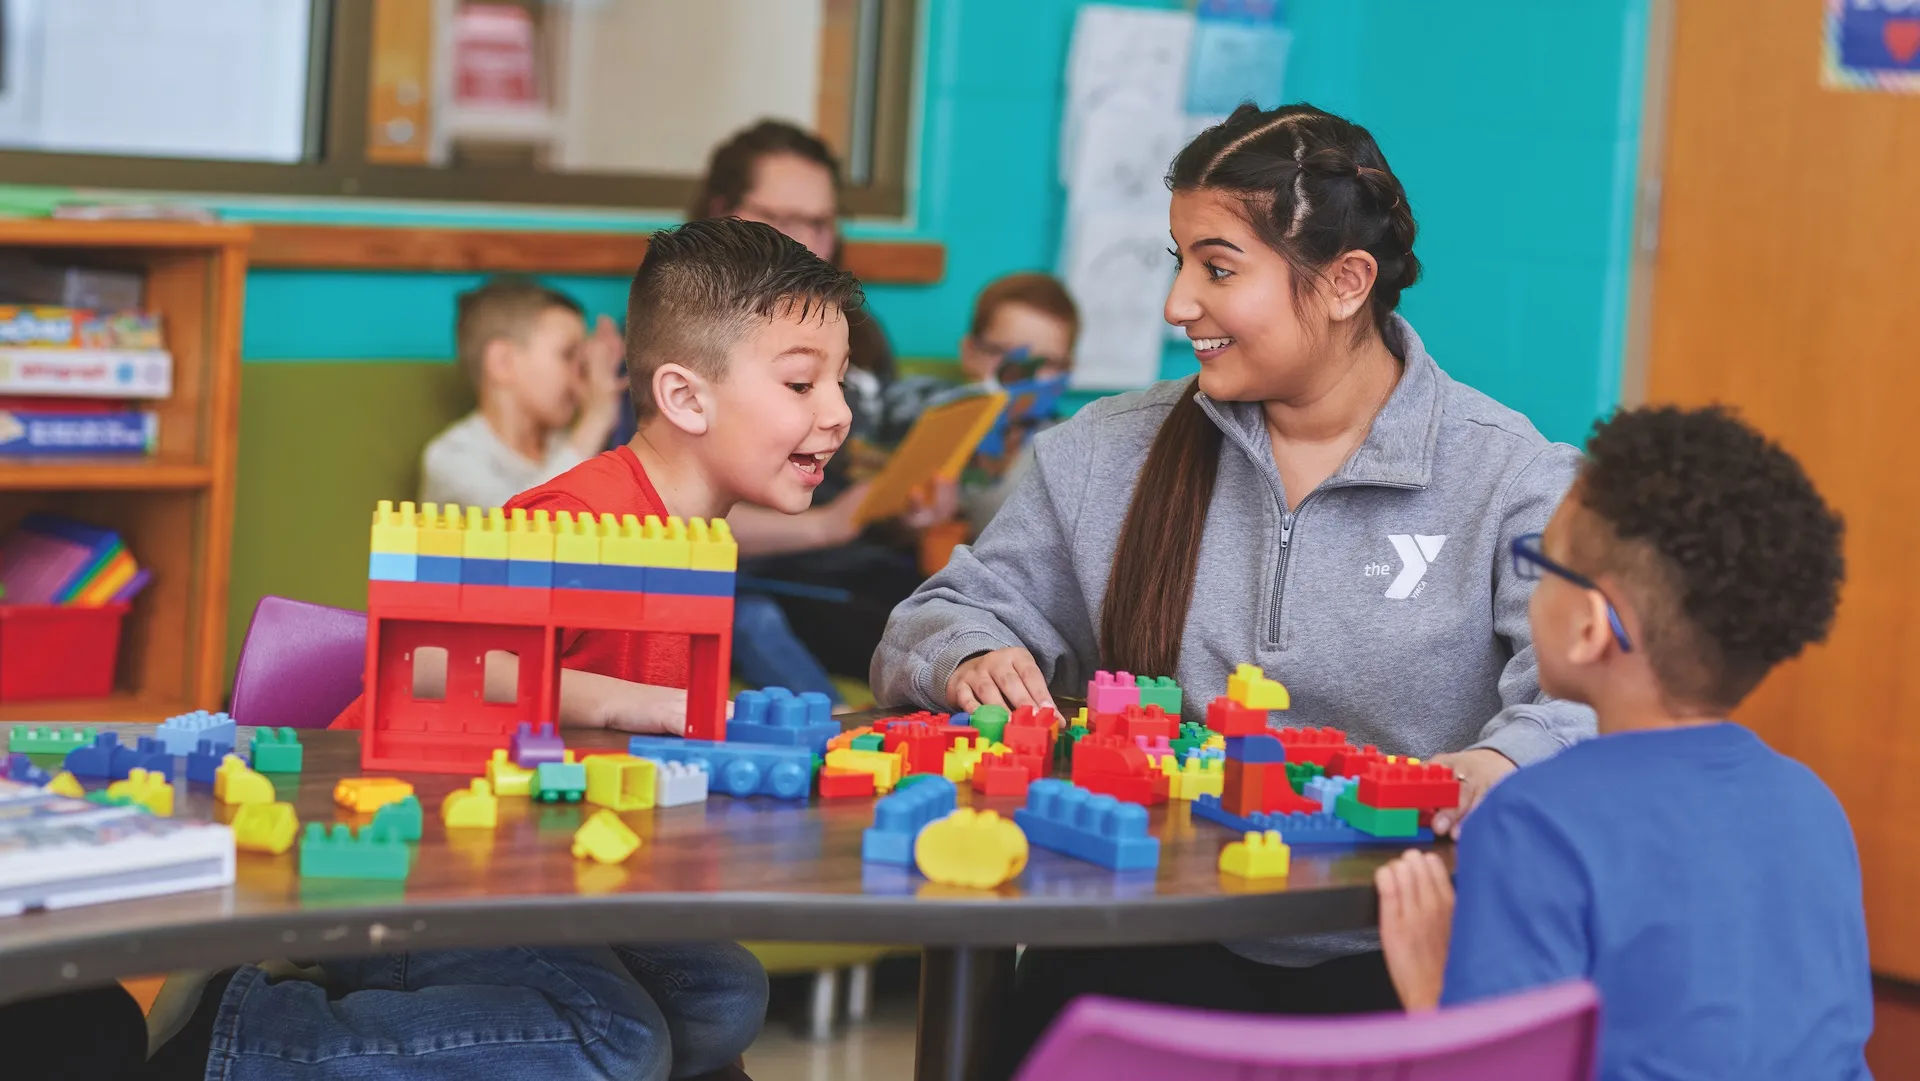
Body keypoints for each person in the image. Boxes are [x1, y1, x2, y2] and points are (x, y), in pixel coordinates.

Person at [868, 103, 1597, 1076]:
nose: (1177, 304)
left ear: (1345, 284)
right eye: (1177, 261)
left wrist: (1496, 767)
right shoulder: (1102, 452)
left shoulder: (1512, 477)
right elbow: (929, 619)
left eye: (1216, 268)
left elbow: (1586, 700)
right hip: (1144, 944)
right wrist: (968, 654)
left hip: (1398, 953)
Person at [152, 219, 865, 1081]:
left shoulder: (696, 540)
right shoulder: (574, 522)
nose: (839, 411)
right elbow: (427, 670)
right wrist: (618, 700)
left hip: (526, 864)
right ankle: (237, 1034)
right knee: (618, 1039)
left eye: (840, 378)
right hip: (412, 859)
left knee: (721, 994)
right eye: (801, 381)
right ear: (684, 397)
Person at [1375, 405, 1870, 1079]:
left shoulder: (1534, 821)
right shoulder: (1815, 806)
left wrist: (1435, 1000)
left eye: (1540, 563)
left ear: (1589, 625)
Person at [664, 118, 945, 693]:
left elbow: (872, 461)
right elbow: (668, 510)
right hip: (762, 579)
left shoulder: (855, 331)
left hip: (863, 573)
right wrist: (824, 527)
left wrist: (909, 505)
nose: (801, 242)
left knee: (958, 612)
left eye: (816, 222)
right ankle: (830, 739)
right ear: (722, 212)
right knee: (751, 615)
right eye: (779, 219)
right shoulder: (683, 340)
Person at [420, 277, 626, 510]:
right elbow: (517, 524)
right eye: (568, 355)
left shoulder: (567, 446)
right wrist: (595, 419)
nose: (580, 376)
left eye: (583, 361)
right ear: (503, 362)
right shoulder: (450, 458)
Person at [947, 271, 1079, 531]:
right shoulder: (935, 426)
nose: (1023, 375)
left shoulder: (1074, 450)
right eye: (1003, 353)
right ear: (969, 353)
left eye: (1047, 362)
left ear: (1067, 370)